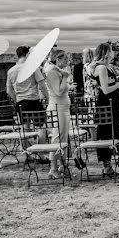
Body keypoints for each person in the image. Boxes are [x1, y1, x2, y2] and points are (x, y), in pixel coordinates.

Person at [86, 43, 119, 177]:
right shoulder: (101, 67)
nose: (113, 53)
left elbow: (108, 82)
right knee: (106, 132)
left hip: (113, 102)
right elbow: (105, 89)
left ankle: (109, 164)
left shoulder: (105, 67)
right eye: (111, 51)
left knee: (113, 131)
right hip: (107, 102)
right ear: (106, 53)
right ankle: (107, 165)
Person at [43, 49, 72, 179]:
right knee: (57, 137)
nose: (67, 61)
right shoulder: (52, 71)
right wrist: (65, 77)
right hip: (57, 107)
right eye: (65, 59)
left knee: (63, 138)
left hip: (63, 107)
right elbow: (58, 91)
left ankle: (63, 165)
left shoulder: (56, 70)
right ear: (58, 59)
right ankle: (53, 168)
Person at [6, 46, 49, 115]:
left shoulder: (10, 71)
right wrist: (48, 99)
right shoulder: (33, 68)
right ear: (27, 54)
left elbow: (9, 91)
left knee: (25, 124)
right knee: (41, 124)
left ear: (18, 55)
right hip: (33, 101)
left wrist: (17, 99)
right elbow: (42, 85)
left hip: (20, 102)